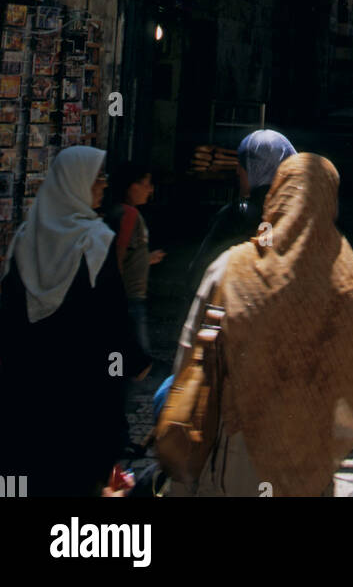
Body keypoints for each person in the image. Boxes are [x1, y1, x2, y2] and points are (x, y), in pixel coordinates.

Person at [165, 153, 353, 496]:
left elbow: (189, 359)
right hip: (308, 463)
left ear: (275, 196)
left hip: (235, 457)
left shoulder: (230, 269)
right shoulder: (346, 285)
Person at [0, 146, 151, 496]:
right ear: (74, 184)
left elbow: (8, 316)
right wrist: (134, 363)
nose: (102, 186)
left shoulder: (25, 239)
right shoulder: (95, 244)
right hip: (79, 396)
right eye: (96, 178)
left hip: (25, 393)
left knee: (22, 480)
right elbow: (113, 324)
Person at [187, 128, 296, 286]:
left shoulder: (239, 214)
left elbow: (200, 271)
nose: (237, 171)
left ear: (256, 168)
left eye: (243, 165)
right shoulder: (297, 215)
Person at [107, 161, 165, 353]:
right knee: (134, 359)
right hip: (128, 299)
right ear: (132, 185)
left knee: (121, 356)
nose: (150, 189)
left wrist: (145, 258)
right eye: (146, 184)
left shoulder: (123, 212)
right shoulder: (129, 214)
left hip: (127, 298)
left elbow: (127, 256)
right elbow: (118, 255)